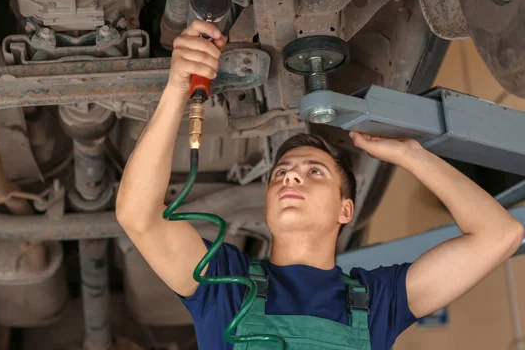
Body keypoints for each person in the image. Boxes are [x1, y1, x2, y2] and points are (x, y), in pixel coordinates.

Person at [116, 20, 524, 350]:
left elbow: (501, 234)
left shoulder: (379, 301)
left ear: (346, 210)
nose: (290, 175)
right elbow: (139, 217)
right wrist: (177, 89)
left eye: (315, 172)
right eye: (281, 172)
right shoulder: (224, 283)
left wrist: (412, 154)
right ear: (268, 204)